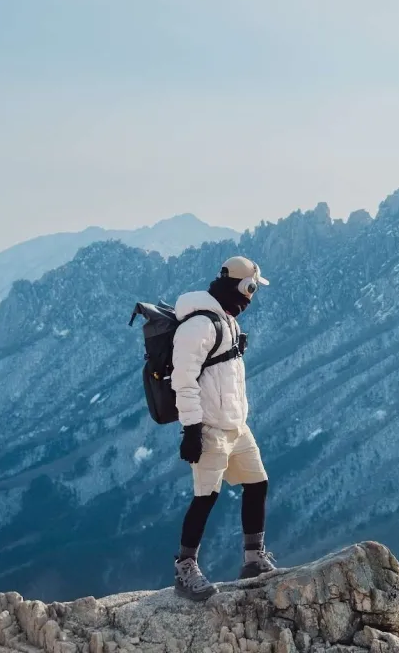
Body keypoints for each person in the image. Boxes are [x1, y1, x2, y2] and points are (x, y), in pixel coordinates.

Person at [171, 255, 276, 600]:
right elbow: (183, 381)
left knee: (257, 484)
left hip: (236, 425)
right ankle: (185, 568)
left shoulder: (225, 319)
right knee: (205, 497)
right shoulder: (199, 325)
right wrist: (191, 429)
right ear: (236, 285)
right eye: (249, 288)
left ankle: (253, 559)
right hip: (211, 428)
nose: (250, 297)